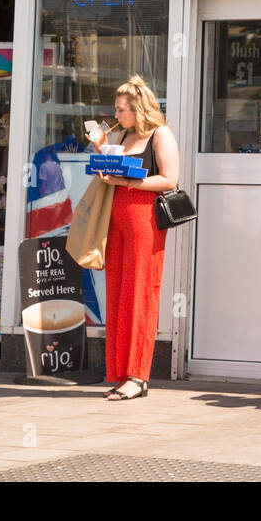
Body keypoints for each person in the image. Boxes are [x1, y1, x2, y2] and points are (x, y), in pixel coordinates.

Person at [89, 75, 180, 401]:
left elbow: (170, 179)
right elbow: (114, 175)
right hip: (116, 220)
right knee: (117, 293)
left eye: (121, 109)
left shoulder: (160, 134)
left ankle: (138, 376)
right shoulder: (123, 134)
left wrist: (126, 183)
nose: (116, 114)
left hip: (144, 220)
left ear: (137, 109)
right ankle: (119, 371)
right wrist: (102, 163)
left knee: (140, 293)